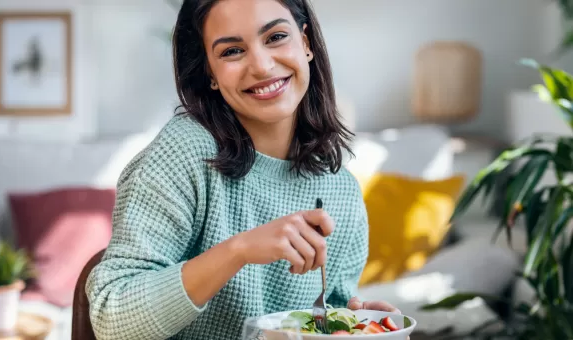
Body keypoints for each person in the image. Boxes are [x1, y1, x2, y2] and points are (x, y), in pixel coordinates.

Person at [85, 0, 400, 339]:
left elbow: (328, 314)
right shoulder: (184, 153)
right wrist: (239, 250)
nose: (262, 66)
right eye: (232, 51)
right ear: (210, 73)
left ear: (306, 44)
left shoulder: (341, 191)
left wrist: (366, 327)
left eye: (276, 36)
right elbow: (111, 320)